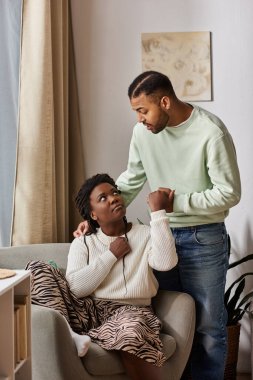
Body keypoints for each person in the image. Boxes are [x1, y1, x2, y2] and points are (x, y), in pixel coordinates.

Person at [74, 71, 241, 380]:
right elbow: (131, 179)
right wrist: (92, 218)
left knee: (207, 327)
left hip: (203, 238)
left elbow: (230, 193)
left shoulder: (210, 132)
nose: (139, 119)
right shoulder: (143, 133)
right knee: (170, 322)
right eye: (136, 111)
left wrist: (176, 204)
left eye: (143, 110)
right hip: (159, 236)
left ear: (165, 102)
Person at [27, 173, 178, 380]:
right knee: (36, 268)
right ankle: (71, 335)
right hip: (88, 310)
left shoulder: (144, 233)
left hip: (130, 311)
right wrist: (111, 255)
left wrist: (158, 213)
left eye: (115, 193)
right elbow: (77, 288)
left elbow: (166, 263)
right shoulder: (84, 243)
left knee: (130, 331)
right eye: (103, 198)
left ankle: (92, 336)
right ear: (93, 214)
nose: (114, 198)